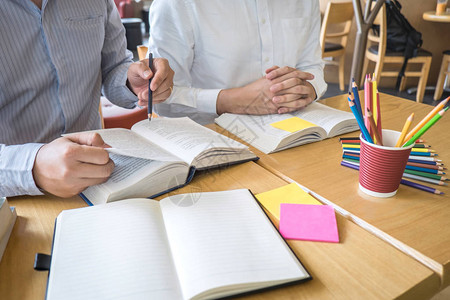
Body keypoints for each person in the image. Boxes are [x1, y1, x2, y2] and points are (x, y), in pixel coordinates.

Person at [0, 0, 174, 198]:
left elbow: (113, 67)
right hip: (15, 200)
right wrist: (32, 167)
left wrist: (131, 82)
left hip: (100, 179)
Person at [148, 0, 327, 125]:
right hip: (211, 137)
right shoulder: (175, 4)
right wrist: (229, 101)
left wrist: (307, 89)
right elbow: (162, 100)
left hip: (294, 130)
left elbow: (312, 67)